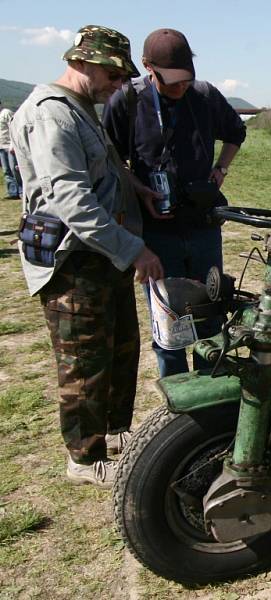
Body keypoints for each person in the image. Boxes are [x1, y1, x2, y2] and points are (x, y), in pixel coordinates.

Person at [11, 25, 164, 487]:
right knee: (83, 363)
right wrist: (136, 250)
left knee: (119, 352)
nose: (118, 85)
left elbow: (105, 169)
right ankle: (84, 456)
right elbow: (70, 201)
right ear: (83, 62)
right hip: (74, 262)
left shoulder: (80, 110)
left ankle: (116, 434)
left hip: (103, 257)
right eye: (114, 74)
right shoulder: (50, 115)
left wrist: (134, 187)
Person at [103, 28, 246, 377]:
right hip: (157, 232)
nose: (180, 88)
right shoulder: (127, 101)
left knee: (210, 312)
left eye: (185, 80)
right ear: (147, 67)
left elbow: (236, 132)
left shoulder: (205, 95)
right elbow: (110, 159)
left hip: (202, 227)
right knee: (169, 324)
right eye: (171, 82)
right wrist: (138, 187)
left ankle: (212, 391)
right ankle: (179, 399)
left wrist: (220, 170)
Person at [0, 99, 22, 199]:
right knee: (6, 171)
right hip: (1, 147)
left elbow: (14, 127)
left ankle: (22, 190)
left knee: (15, 169)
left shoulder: (6, 113)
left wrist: (13, 144)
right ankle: (13, 193)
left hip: (10, 146)